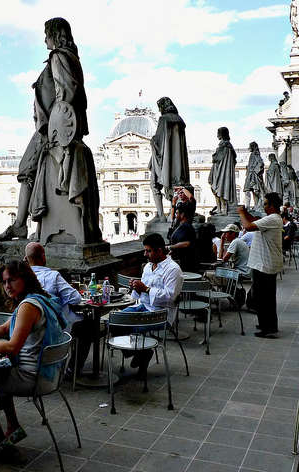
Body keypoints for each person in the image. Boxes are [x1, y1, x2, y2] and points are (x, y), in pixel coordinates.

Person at [0, 18, 101, 244]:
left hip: (51, 129)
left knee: (25, 170)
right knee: (28, 170)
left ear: (54, 33)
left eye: (46, 33)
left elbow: (67, 91)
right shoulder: (72, 57)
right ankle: (22, 223)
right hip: (61, 127)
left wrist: (56, 129)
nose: (44, 39)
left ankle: (20, 225)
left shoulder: (58, 56)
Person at [0, 260, 65, 448]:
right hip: (49, 374)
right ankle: (13, 426)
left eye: (12, 280)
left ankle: (0, 443)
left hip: (33, 377)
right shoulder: (38, 299)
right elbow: (3, 328)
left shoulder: (27, 306)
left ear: (26, 278)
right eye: (4, 282)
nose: (8, 286)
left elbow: (12, 347)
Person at [24, 242, 91, 374]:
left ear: (26, 259)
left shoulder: (22, 278)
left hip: (30, 327)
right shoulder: (53, 276)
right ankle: (73, 368)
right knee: (88, 326)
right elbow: (76, 298)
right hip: (57, 326)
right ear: (43, 257)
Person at [122, 233, 183, 374]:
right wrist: (136, 288)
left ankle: (142, 352)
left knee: (134, 329)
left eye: (148, 251)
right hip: (143, 306)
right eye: (145, 250)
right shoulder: (148, 267)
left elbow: (170, 296)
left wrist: (147, 289)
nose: (145, 254)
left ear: (159, 251)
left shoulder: (172, 269)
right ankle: (140, 352)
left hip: (161, 313)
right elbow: (141, 293)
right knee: (116, 321)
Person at [237, 192, 284, 338]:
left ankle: (269, 327)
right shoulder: (271, 219)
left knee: (265, 298)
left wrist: (240, 213)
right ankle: (265, 324)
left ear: (271, 205)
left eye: (264, 203)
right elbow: (254, 220)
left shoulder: (273, 219)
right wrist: (245, 212)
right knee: (262, 296)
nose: (262, 206)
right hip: (263, 263)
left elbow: (248, 225)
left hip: (266, 264)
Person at [149, 97, 191, 222]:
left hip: (166, 162)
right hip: (179, 166)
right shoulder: (179, 120)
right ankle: (169, 214)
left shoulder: (164, 119)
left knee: (154, 184)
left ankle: (161, 215)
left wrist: (152, 141)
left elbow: (158, 141)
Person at [208, 127, 237, 216]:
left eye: (218, 133)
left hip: (221, 172)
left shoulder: (224, 146)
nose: (217, 135)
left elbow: (217, 158)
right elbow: (234, 159)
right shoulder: (228, 146)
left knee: (220, 189)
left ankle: (223, 209)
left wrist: (214, 156)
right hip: (220, 170)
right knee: (217, 189)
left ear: (222, 134)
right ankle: (220, 209)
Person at [167, 200, 197, 273]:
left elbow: (186, 243)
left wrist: (169, 247)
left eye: (177, 213)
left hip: (184, 263)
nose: (175, 215)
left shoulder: (185, 227)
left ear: (182, 214)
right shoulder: (187, 226)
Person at [244, 141, 266, 211]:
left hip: (253, 175)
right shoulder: (253, 154)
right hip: (251, 174)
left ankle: (256, 205)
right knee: (253, 190)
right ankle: (256, 205)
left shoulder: (255, 154)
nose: (249, 148)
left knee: (255, 191)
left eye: (250, 146)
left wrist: (255, 171)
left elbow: (260, 163)